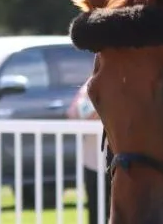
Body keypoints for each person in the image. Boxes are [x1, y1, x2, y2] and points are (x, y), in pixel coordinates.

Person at [68, 81, 111, 224]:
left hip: (123, 165)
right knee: (96, 216)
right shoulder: (92, 83)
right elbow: (74, 112)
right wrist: (100, 107)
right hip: (94, 164)